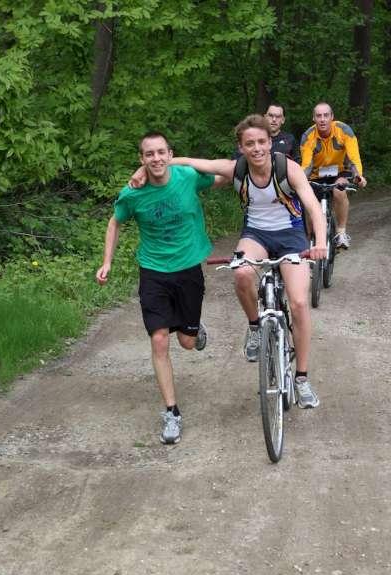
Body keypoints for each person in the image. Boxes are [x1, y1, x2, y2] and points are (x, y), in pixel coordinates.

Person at [131, 115, 327, 409]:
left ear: (270, 143)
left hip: (291, 235)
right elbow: (188, 162)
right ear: (241, 147)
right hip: (256, 235)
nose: (256, 148)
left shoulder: (288, 168)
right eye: (250, 143)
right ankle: (255, 327)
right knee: (242, 273)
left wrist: (320, 243)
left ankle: (301, 378)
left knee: (299, 303)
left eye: (261, 142)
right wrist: (143, 169)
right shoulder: (236, 168)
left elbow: (313, 207)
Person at [96, 131, 224, 445]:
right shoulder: (133, 194)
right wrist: (107, 262)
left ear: (170, 154)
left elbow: (223, 175)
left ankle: (193, 328)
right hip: (153, 271)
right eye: (149, 154)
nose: (155, 158)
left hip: (188, 268)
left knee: (187, 343)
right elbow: (115, 222)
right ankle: (171, 412)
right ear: (141, 159)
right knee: (159, 339)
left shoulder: (188, 177)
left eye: (160, 152)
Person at [300, 102, 367, 249]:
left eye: (326, 115)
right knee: (310, 202)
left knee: (339, 190)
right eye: (318, 116)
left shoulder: (344, 130)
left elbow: (353, 158)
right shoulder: (308, 136)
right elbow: (306, 165)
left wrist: (358, 176)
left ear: (332, 117)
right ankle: (310, 239)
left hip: (340, 171)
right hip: (316, 175)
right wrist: (299, 181)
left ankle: (341, 232)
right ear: (313, 118)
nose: (322, 119)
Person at [232, 104, 299, 162]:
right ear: (265, 117)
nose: (274, 119)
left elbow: (297, 163)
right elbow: (236, 161)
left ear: (283, 120)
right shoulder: (252, 137)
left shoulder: (290, 139)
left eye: (278, 117)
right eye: (270, 115)